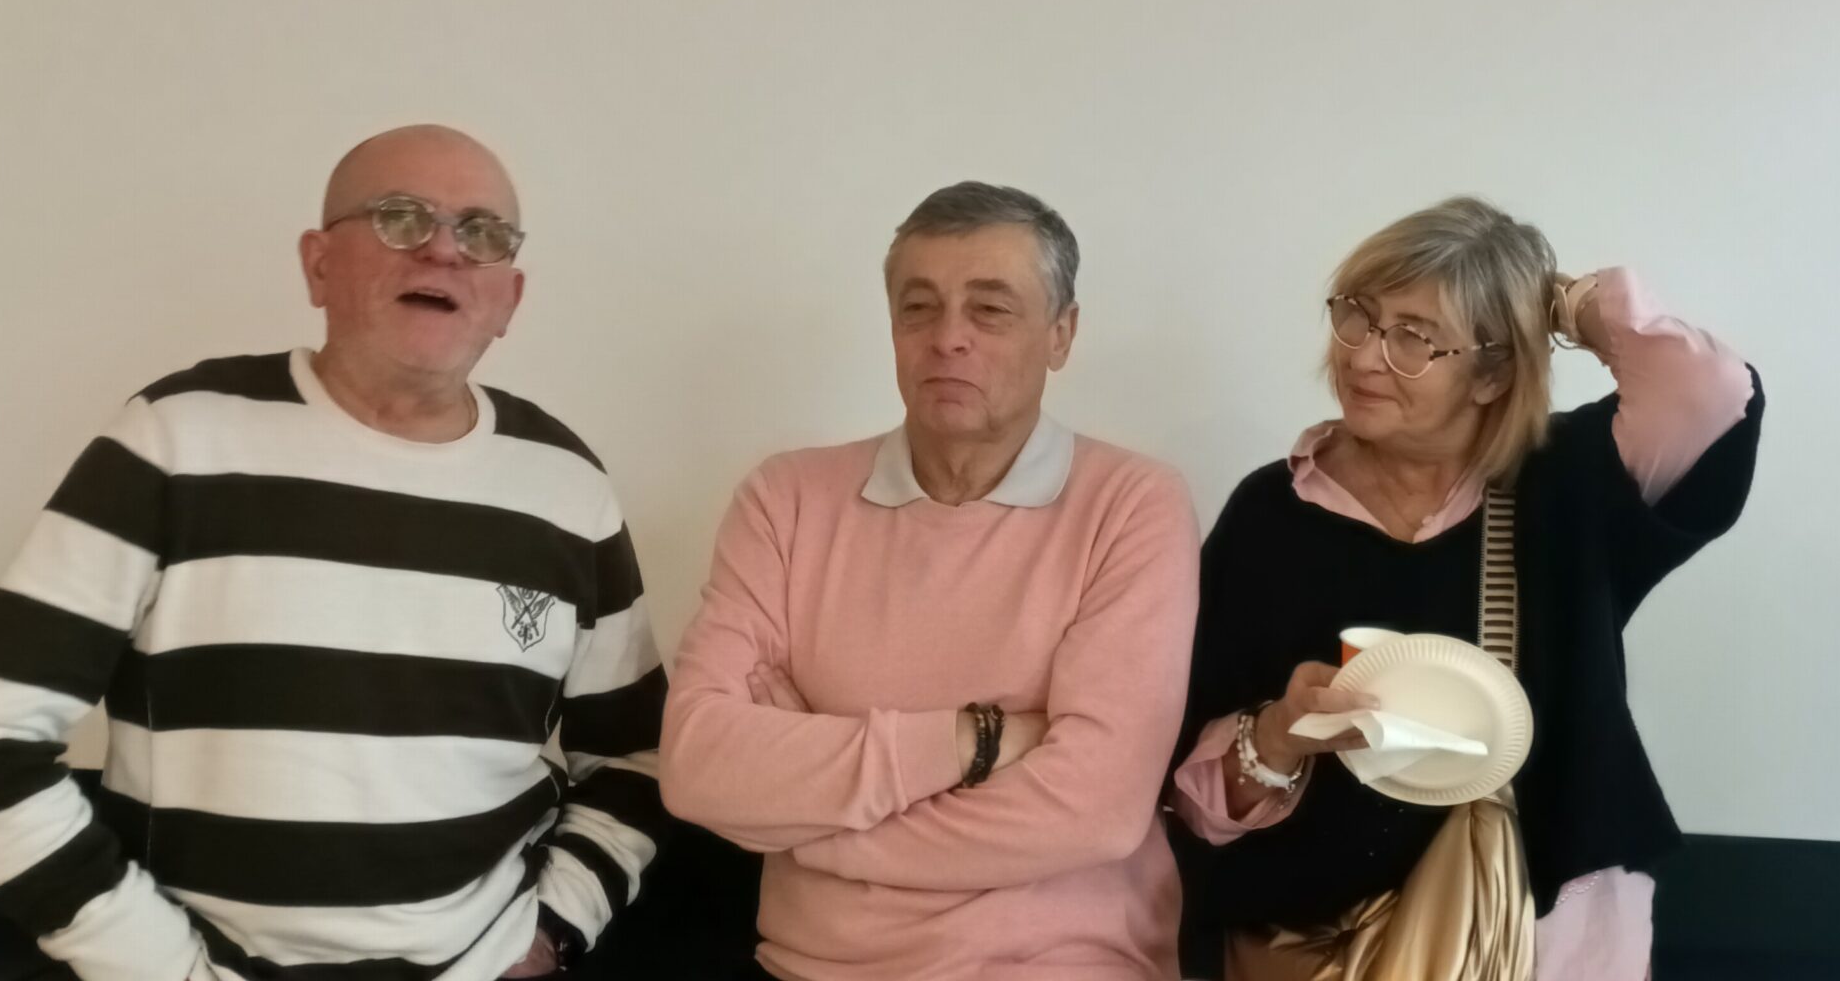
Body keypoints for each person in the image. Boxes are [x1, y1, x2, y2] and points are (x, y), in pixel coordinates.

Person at [0, 125, 667, 980]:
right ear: (318, 265)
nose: (444, 250)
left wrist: (555, 926)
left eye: (482, 233)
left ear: (509, 297)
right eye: (400, 217)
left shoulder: (568, 487)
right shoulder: (176, 441)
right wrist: (156, 968)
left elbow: (635, 759)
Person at [1170, 196, 1762, 979]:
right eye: (1357, 316)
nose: (1365, 357)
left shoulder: (1568, 479)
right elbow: (1192, 797)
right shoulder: (1272, 513)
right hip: (1317, 947)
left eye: (1414, 337)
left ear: (1493, 374)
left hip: (1545, 935)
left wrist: (1568, 305)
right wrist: (1278, 737)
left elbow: (1713, 391)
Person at [660, 182, 1200, 981]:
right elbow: (699, 765)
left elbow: (1096, 811)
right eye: (919, 308)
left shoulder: (1131, 504)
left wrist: (816, 825)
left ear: (1061, 333)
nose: (948, 339)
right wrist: (978, 740)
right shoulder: (786, 499)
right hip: (813, 968)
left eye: (990, 309)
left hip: (1056, 963)